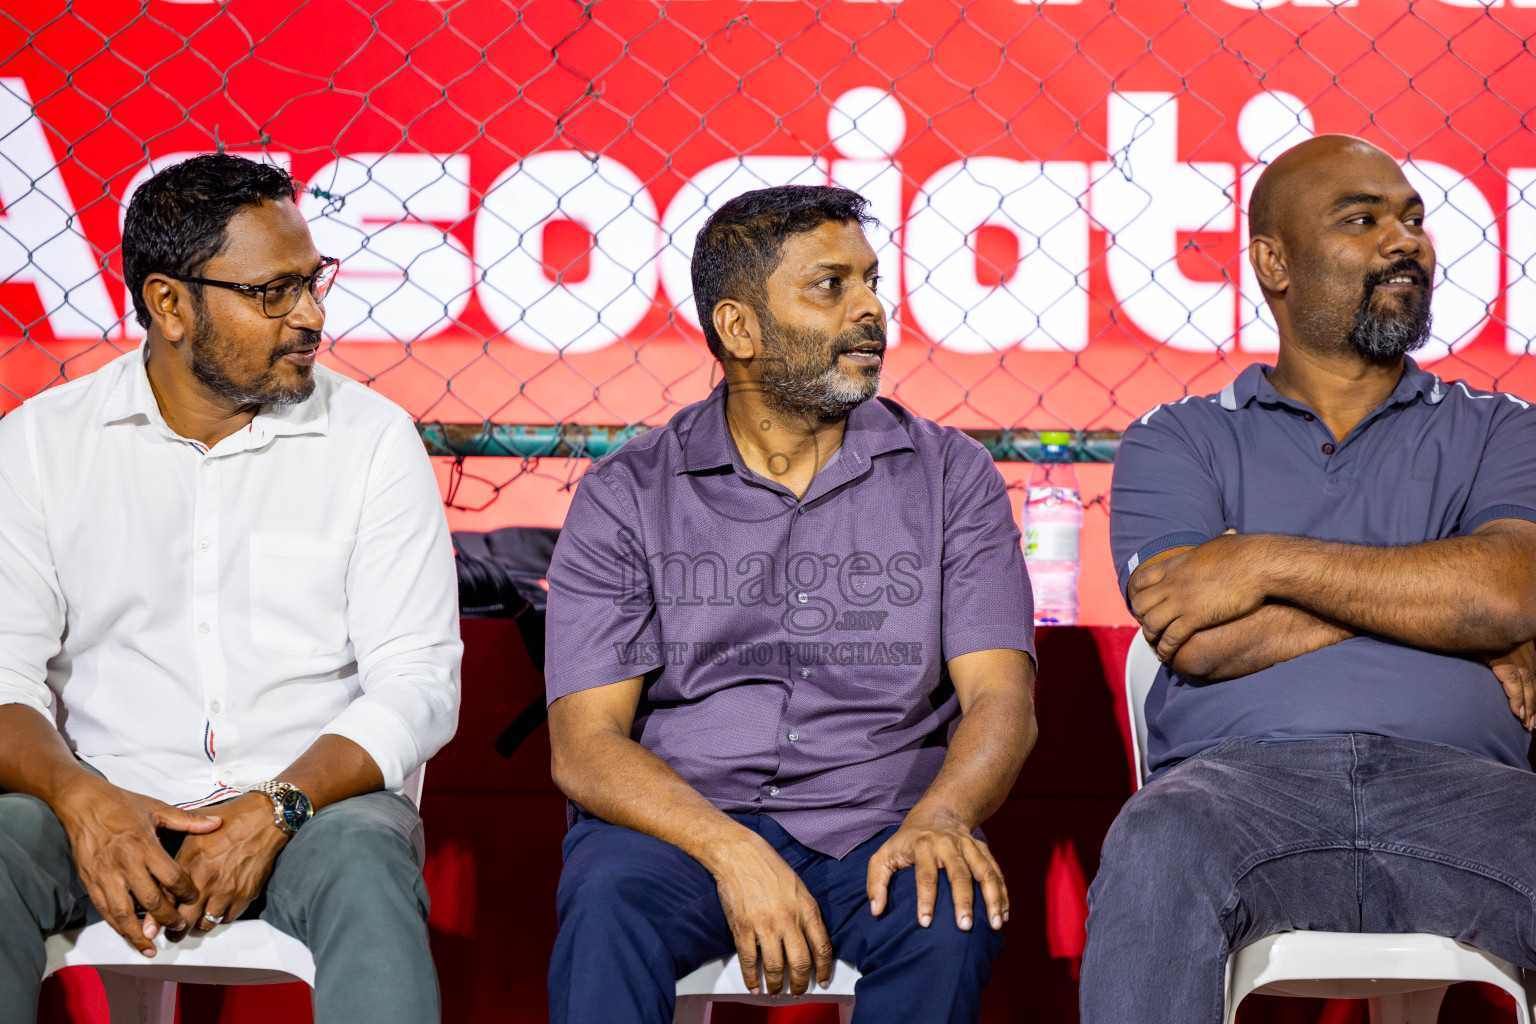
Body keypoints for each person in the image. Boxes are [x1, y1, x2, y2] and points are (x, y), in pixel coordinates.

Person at [543, 185, 1038, 1023]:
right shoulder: (628, 493)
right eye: (830, 285)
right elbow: (585, 747)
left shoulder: (951, 476)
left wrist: (944, 815)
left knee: (946, 910)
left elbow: (1002, 698)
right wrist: (728, 849)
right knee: (606, 901)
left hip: (881, 821)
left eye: (871, 281)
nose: (870, 308)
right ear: (738, 329)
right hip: (682, 826)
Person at [1081, 134, 1536, 1023]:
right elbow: (1200, 639)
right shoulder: (1178, 437)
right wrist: (1441, 593)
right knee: (1154, 839)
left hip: (1471, 794)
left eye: (1412, 219)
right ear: (1273, 263)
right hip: (1236, 794)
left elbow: (1507, 593)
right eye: (1361, 221)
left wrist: (1259, 560)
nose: (1403, 241)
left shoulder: (1501, 427)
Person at [0, 154, 461, 1023]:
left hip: (310, 813)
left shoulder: (370, 440)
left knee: (368, 857)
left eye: (313, 281)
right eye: (272, 292)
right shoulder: (39, 445)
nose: (311, 314)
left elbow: (419, 682)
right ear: (170, 304)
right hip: (104, 798)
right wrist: (80, 798)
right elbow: (3, 678)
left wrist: (275, 807)